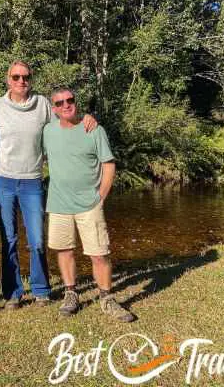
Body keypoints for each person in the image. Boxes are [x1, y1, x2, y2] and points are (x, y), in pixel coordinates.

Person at [0, 60, 97, 309]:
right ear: (8, 79)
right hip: (3, 180)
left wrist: (87, 118)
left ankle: (40, 290)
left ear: (31, 79)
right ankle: (13, 293)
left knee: (36, 239)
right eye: (15, 77)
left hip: (32, 181)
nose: (21, 81)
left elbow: (65, 119)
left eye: (25, 77)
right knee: (9, 238)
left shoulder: (43, 105)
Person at [43, 87, 134, 322]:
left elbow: (109, 165)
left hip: (89, 205)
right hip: (58, 203)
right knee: (64, 251)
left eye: (70, 100)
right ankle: (71, 293)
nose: (66, 105)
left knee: (99, 253)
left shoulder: (94, 129)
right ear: (54, 109)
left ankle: (106, 298)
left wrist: (101, 197)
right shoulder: (48, 131)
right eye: (60, 103)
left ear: (76, 102)